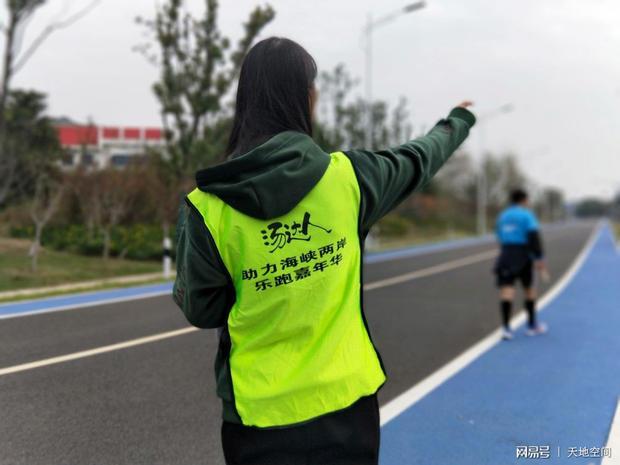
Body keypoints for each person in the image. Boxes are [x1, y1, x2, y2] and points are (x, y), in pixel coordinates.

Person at [173, 36, 475, 465]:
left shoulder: (206, 208)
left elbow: (202, 310)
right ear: (306, 99)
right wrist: (457, 121)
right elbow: (419, 158)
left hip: (258, 418)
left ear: (245, 102)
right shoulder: (349, 180)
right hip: (347, 407)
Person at [494, 188, 548, 340]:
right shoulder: (526, 215)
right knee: (529, 290)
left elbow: (498, 235)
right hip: (524, 255)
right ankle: (532, 326)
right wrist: (539, 258)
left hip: (506, 254)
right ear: (524, 200)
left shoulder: (503, 216)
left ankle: (506, 328)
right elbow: (533, 236)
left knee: (506, 291)